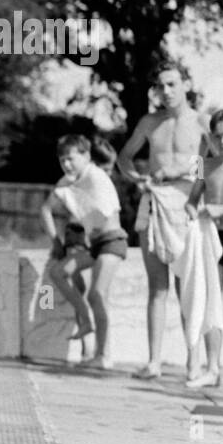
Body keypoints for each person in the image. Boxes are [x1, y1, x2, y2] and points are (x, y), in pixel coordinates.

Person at [117, 61, 214, 379]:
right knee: (156, 286)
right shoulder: (149, 121)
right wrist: (137, 179)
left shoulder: (201, 121)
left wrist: (182, 171)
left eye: (172, 84)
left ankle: (193, 361)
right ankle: (154, 361)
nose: (167, 91)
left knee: (187, 285)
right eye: (161, 86)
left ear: (186, 83)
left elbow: (215, 162)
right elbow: (124, 157)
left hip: (187, 204)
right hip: (155, 200)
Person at [39, 134, 127, 368]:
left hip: (112, 240)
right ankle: (85, 321)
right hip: (93, 245)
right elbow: (46, 209)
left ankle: (102, 354)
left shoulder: (95, 175)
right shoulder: (70, 179)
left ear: (86, 157)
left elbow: (101, 210)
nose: (67, 165)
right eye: (62, 161)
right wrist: (56, 242)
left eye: (71, 159)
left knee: (97, 293)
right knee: (57, 273)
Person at [188, 108, 223, 390]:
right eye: (218, 136)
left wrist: (221, 209)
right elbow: (192, 199)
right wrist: (192, 213)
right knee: (211, 305)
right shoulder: (203, 164)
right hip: (212, 239)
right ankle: (212, 368)